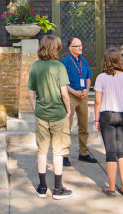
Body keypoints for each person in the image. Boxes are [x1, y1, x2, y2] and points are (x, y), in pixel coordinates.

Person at [28, 35, 73, 200]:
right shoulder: (59, 67)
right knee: (58, 151)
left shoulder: (35, 67)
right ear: (55, 48)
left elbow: (31, 94)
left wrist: (36, 109)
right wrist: (68, 111)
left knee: (42, 150)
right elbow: (64, 93)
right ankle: (58, 188)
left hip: (41, 114)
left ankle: (42, 187)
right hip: (58, 114)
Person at [94, 48, 123, 197]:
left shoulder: (101, 78)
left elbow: (98, 101)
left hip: (107, 114)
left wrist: (96, 119)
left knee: (110, 152)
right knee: (122, 151)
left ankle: (111, 188)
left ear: (105, 60)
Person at [61, 37, 97, 166]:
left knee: (84, 126)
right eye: (77, 46)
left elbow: (88, 77)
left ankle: (84, 153)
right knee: (67, 126)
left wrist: (87, 89)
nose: (80, 48)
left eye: (81, 45)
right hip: (70, 96)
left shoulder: (84, 61)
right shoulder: (64, 62)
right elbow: (63, 83)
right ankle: (64, 155)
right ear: (70, 48)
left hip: (83, 96)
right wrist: (74, 92)